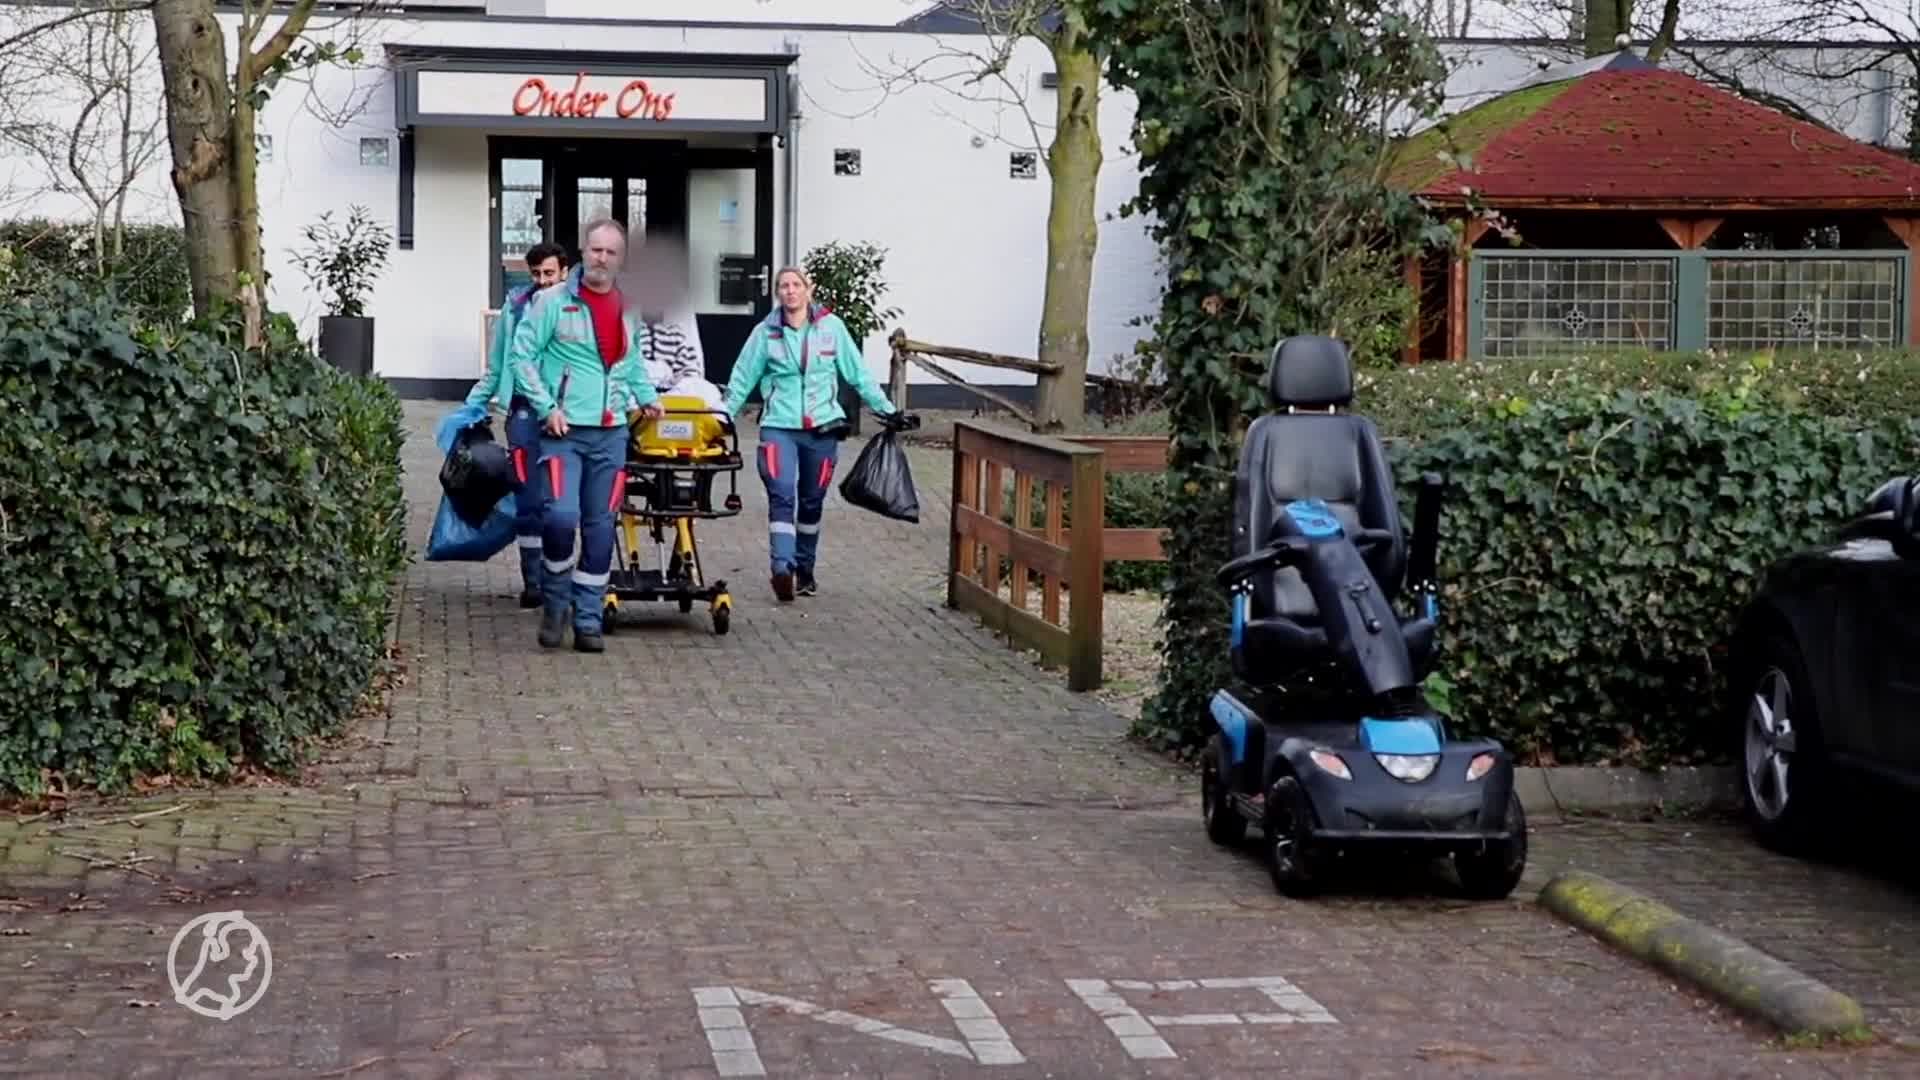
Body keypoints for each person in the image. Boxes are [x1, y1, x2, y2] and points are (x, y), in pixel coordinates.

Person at [508, 218, 664, 653]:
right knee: (560, 517)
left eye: (611, 252)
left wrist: (647, 397)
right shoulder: (553, 302)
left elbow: (631, 361)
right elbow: (522, 357)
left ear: (620, 258)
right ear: (584, 250)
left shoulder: (628, 305)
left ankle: (588, 619)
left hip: (611, 433)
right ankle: (555, 603)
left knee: (599, 530)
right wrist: (546, 407)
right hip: (564, 431)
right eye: (596, 250)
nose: (602, 259)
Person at [722, 266, 915, 601]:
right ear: (777, 293)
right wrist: (721, 418)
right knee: (782, 495)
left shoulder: (831, 328)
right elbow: (742, 378)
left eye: (796, 285)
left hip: (822, 430)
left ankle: (804, 570)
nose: (790, 291)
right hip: (779, 427)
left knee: (811, 503)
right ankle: (782, 568)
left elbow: (858, 374)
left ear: (808, 290)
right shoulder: (764, 333)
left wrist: (887, 410)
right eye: (784, 286)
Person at [463, 241, 568, 608]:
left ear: (564, 273)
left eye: (550, 274)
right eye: (537, 274)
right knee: (528, 500)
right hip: (523, 414)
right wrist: (472, 407)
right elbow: (497, 366)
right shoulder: (516, 308)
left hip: (566, 415)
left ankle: (563, 581)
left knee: (562, 502)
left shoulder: (575, 309)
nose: (542, 281)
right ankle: (534, 581)